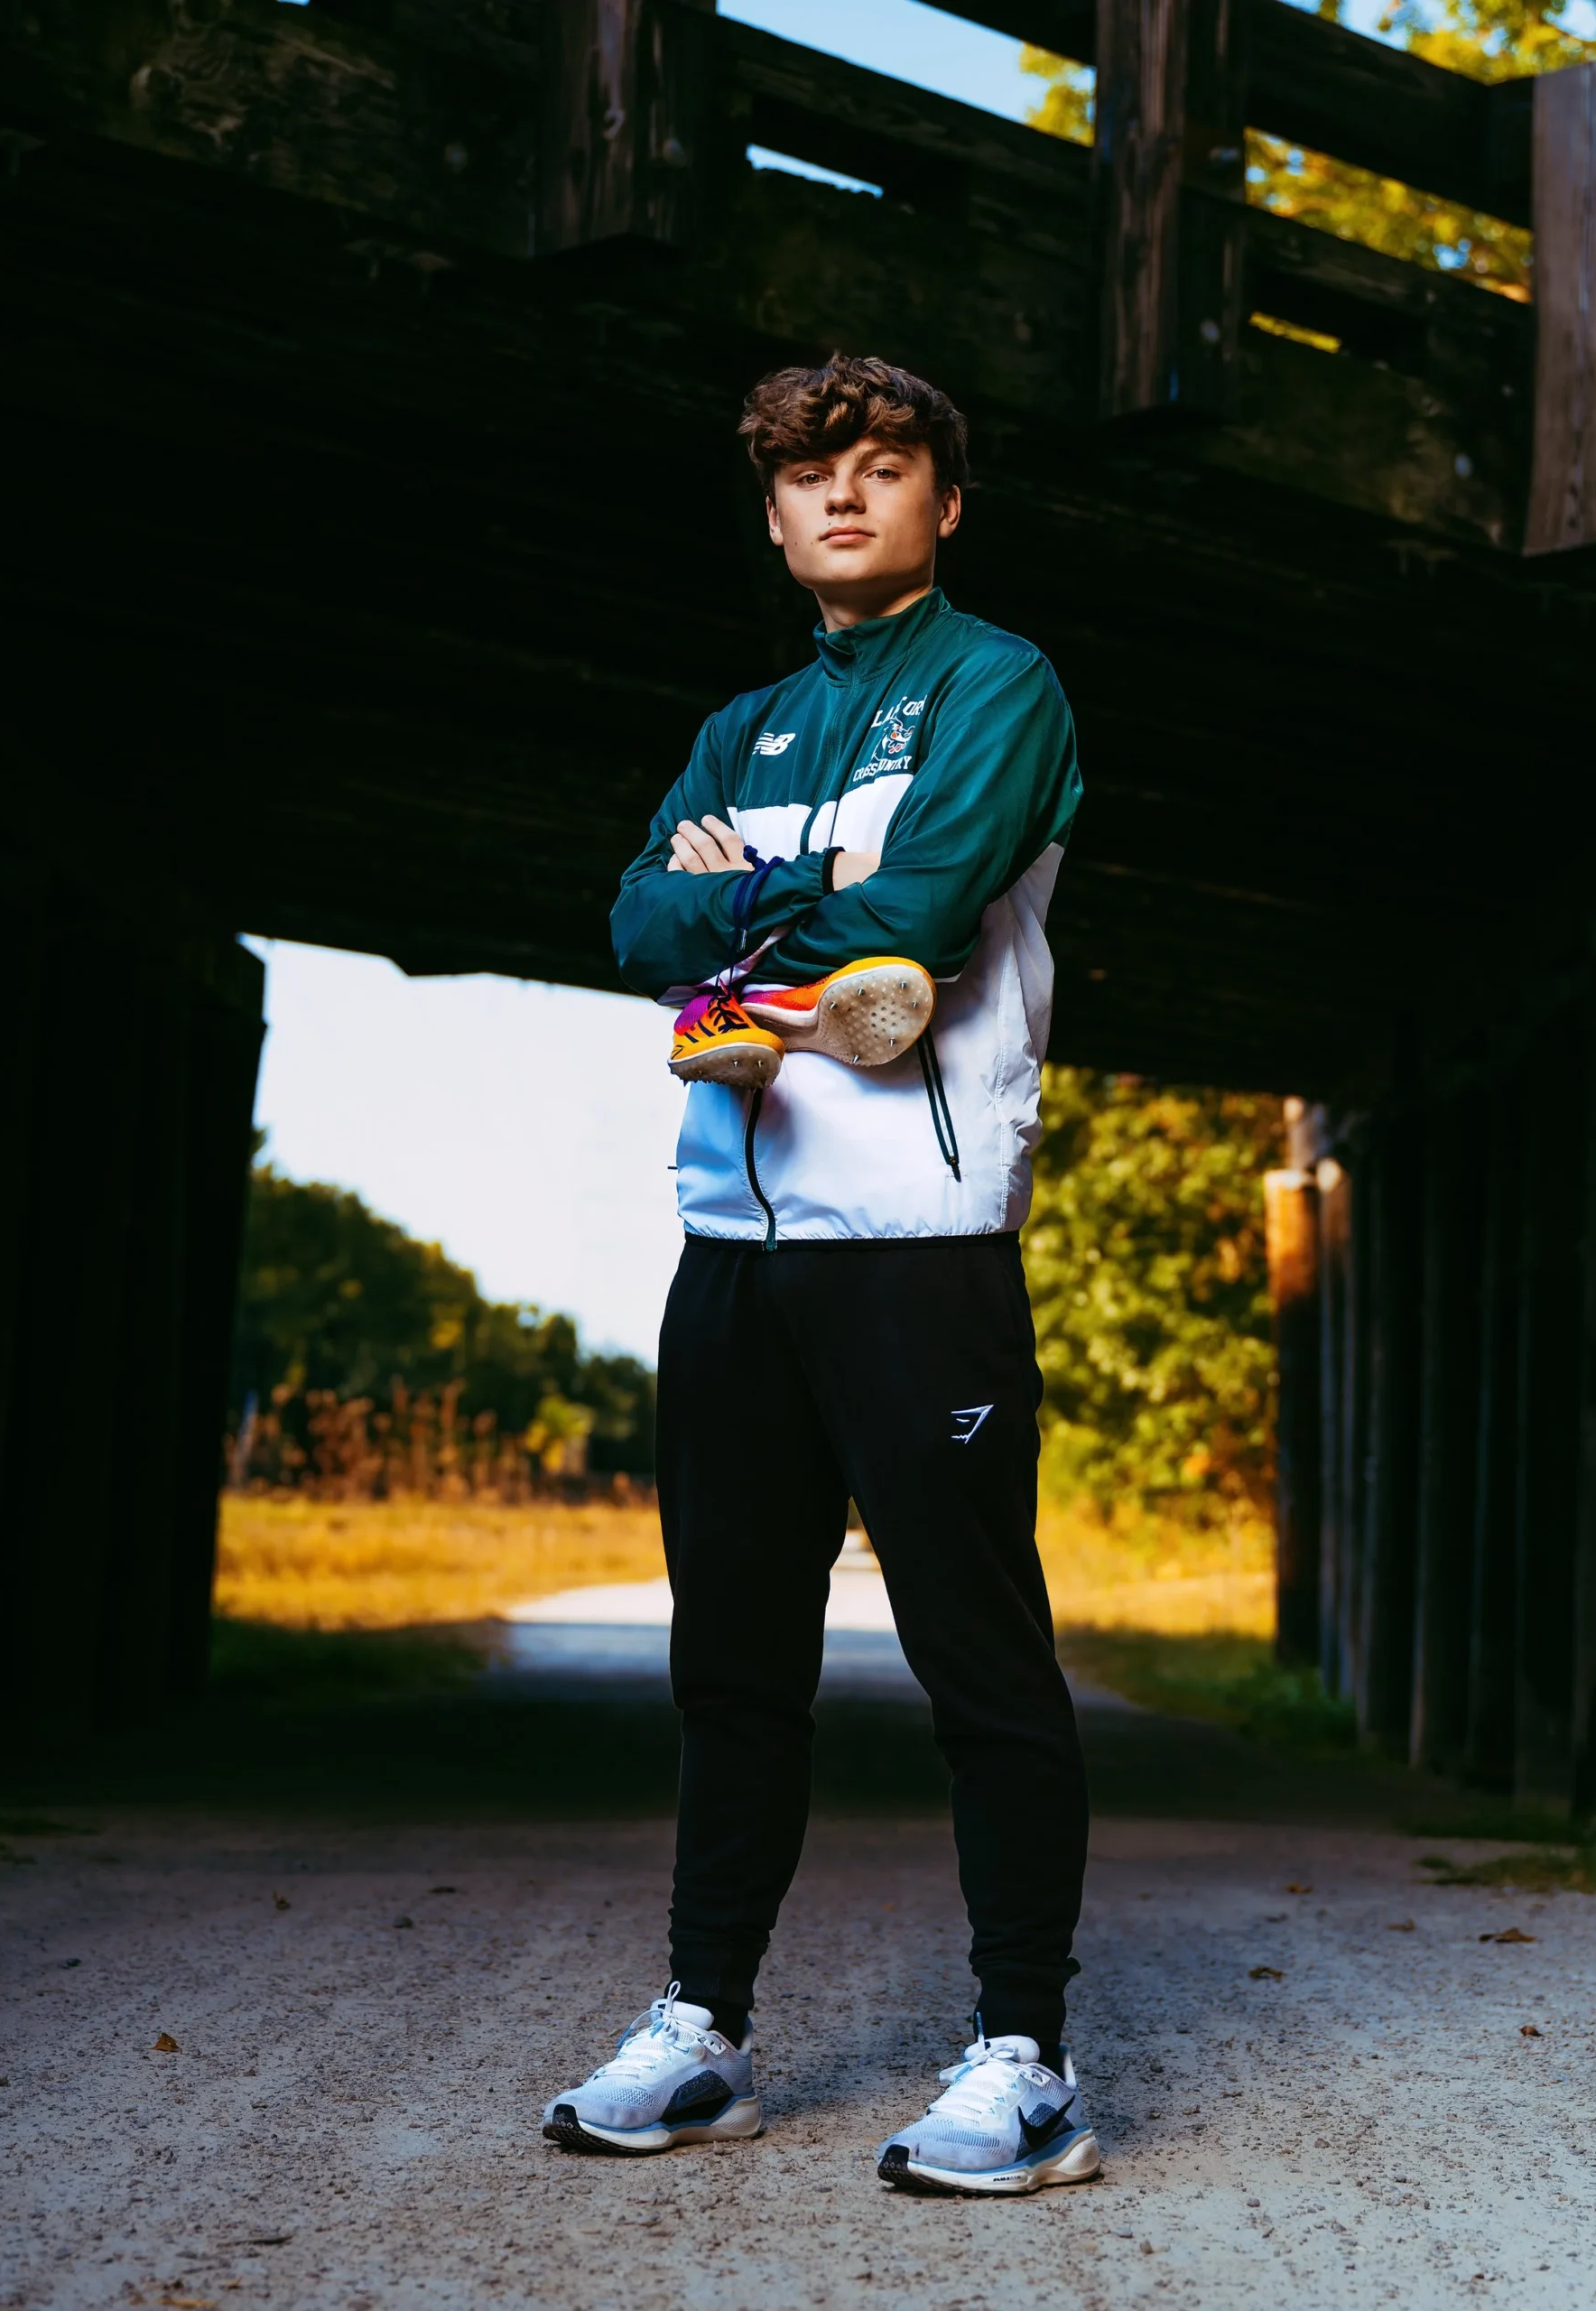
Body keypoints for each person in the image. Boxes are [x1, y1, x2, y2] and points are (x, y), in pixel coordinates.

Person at [540, 352, 1096, 2197]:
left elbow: (920, 915)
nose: (840, 497)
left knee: (978, 1664)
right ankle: (702, 2027)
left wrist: (731, 923)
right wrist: (770, 947)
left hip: (919, 1251)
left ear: (946, 498)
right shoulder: (739, 724)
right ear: (771, 515)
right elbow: (632, 918)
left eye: (880, 466)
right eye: (805, 476)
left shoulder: (996, 685)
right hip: (732, 1250)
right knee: (734, 1665)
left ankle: (1024, 2056)